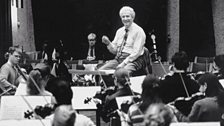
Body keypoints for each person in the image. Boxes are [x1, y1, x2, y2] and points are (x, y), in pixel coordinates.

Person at [99, 6, 149, 76]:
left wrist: (123, 64)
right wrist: (108, 43)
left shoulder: (139, 31)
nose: (125, 19)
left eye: (127, 16)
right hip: (119, 59)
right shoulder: (119, 31)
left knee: (121, 74)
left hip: (134, 60)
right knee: (100, 72)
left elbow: (136, 53)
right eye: (123, 17)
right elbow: (115, 51)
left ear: (132, 17)